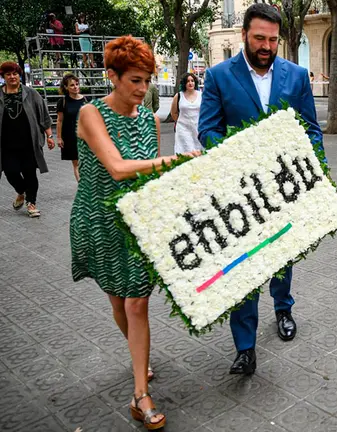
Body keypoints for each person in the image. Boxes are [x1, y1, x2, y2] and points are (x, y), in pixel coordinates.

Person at [72, 36, 195, 431]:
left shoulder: (148, 119)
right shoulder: (90, 113)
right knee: (117, 299)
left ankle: (140, 394)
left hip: (137, 222)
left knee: (136, 303)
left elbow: (148, 177)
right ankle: (139, 359)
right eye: (135, 81)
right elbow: (118, 167)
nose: (143, 89)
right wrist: (174, 160)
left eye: (147, 80)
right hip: (98, 221)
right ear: (113, 76)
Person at [198, 3, 321, 375]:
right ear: (244, 35)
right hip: (239, 193)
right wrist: (240, 153)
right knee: (244, 268)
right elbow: (207, 130)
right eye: (259, 38)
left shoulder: (296, 76)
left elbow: (311, 130)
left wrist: (315, 175)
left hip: (284, 189)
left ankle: (283, 310)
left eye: (272, 39)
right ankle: (245, 348)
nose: (266, 46)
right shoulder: (218, 76)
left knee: (282, 257)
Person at [0, 61, 54, 218]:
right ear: (3, 76)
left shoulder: (31, 93)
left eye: (15, 73)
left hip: (29, 143)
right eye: (8, 74)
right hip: (6, 145)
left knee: (30, 173)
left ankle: (31, 203)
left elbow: (44, 116)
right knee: (10, 172)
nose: (12, 77)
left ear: (20, 75)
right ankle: (21, 191)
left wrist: (50, 136)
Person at [56, 74, 87, 182]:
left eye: (77, 84)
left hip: (85, 136)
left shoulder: (85, 100)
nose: (75, 87)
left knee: (88, 162)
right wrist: (59, 137)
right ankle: (82, 185)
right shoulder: (63, 102)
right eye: (72, 85)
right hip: (70, 136)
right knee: (76, 163)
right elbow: (59, 120)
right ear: (66, 87)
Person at [170, 73, 203, 153]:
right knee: (185, 151)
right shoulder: (178, 96)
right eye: (188, 81)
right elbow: (174, 112)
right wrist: (181, 123)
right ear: (184, 83)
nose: (190, 83)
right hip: (183, 129)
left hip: (198, 128)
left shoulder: (201, 95)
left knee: (199, 151)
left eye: (192, 81)